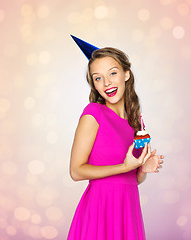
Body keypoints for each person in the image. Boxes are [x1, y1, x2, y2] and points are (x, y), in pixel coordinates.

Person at [67, 38, 164, 240]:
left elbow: (133, 179)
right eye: (98, 78)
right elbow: (76, 171)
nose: (107, 82)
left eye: (112, 73)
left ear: (126, 74)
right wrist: (124, 166)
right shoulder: (93, 114)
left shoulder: (137, 121)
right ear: (93, 84)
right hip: (99, 210)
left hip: (128, 209)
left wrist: (143, 168)